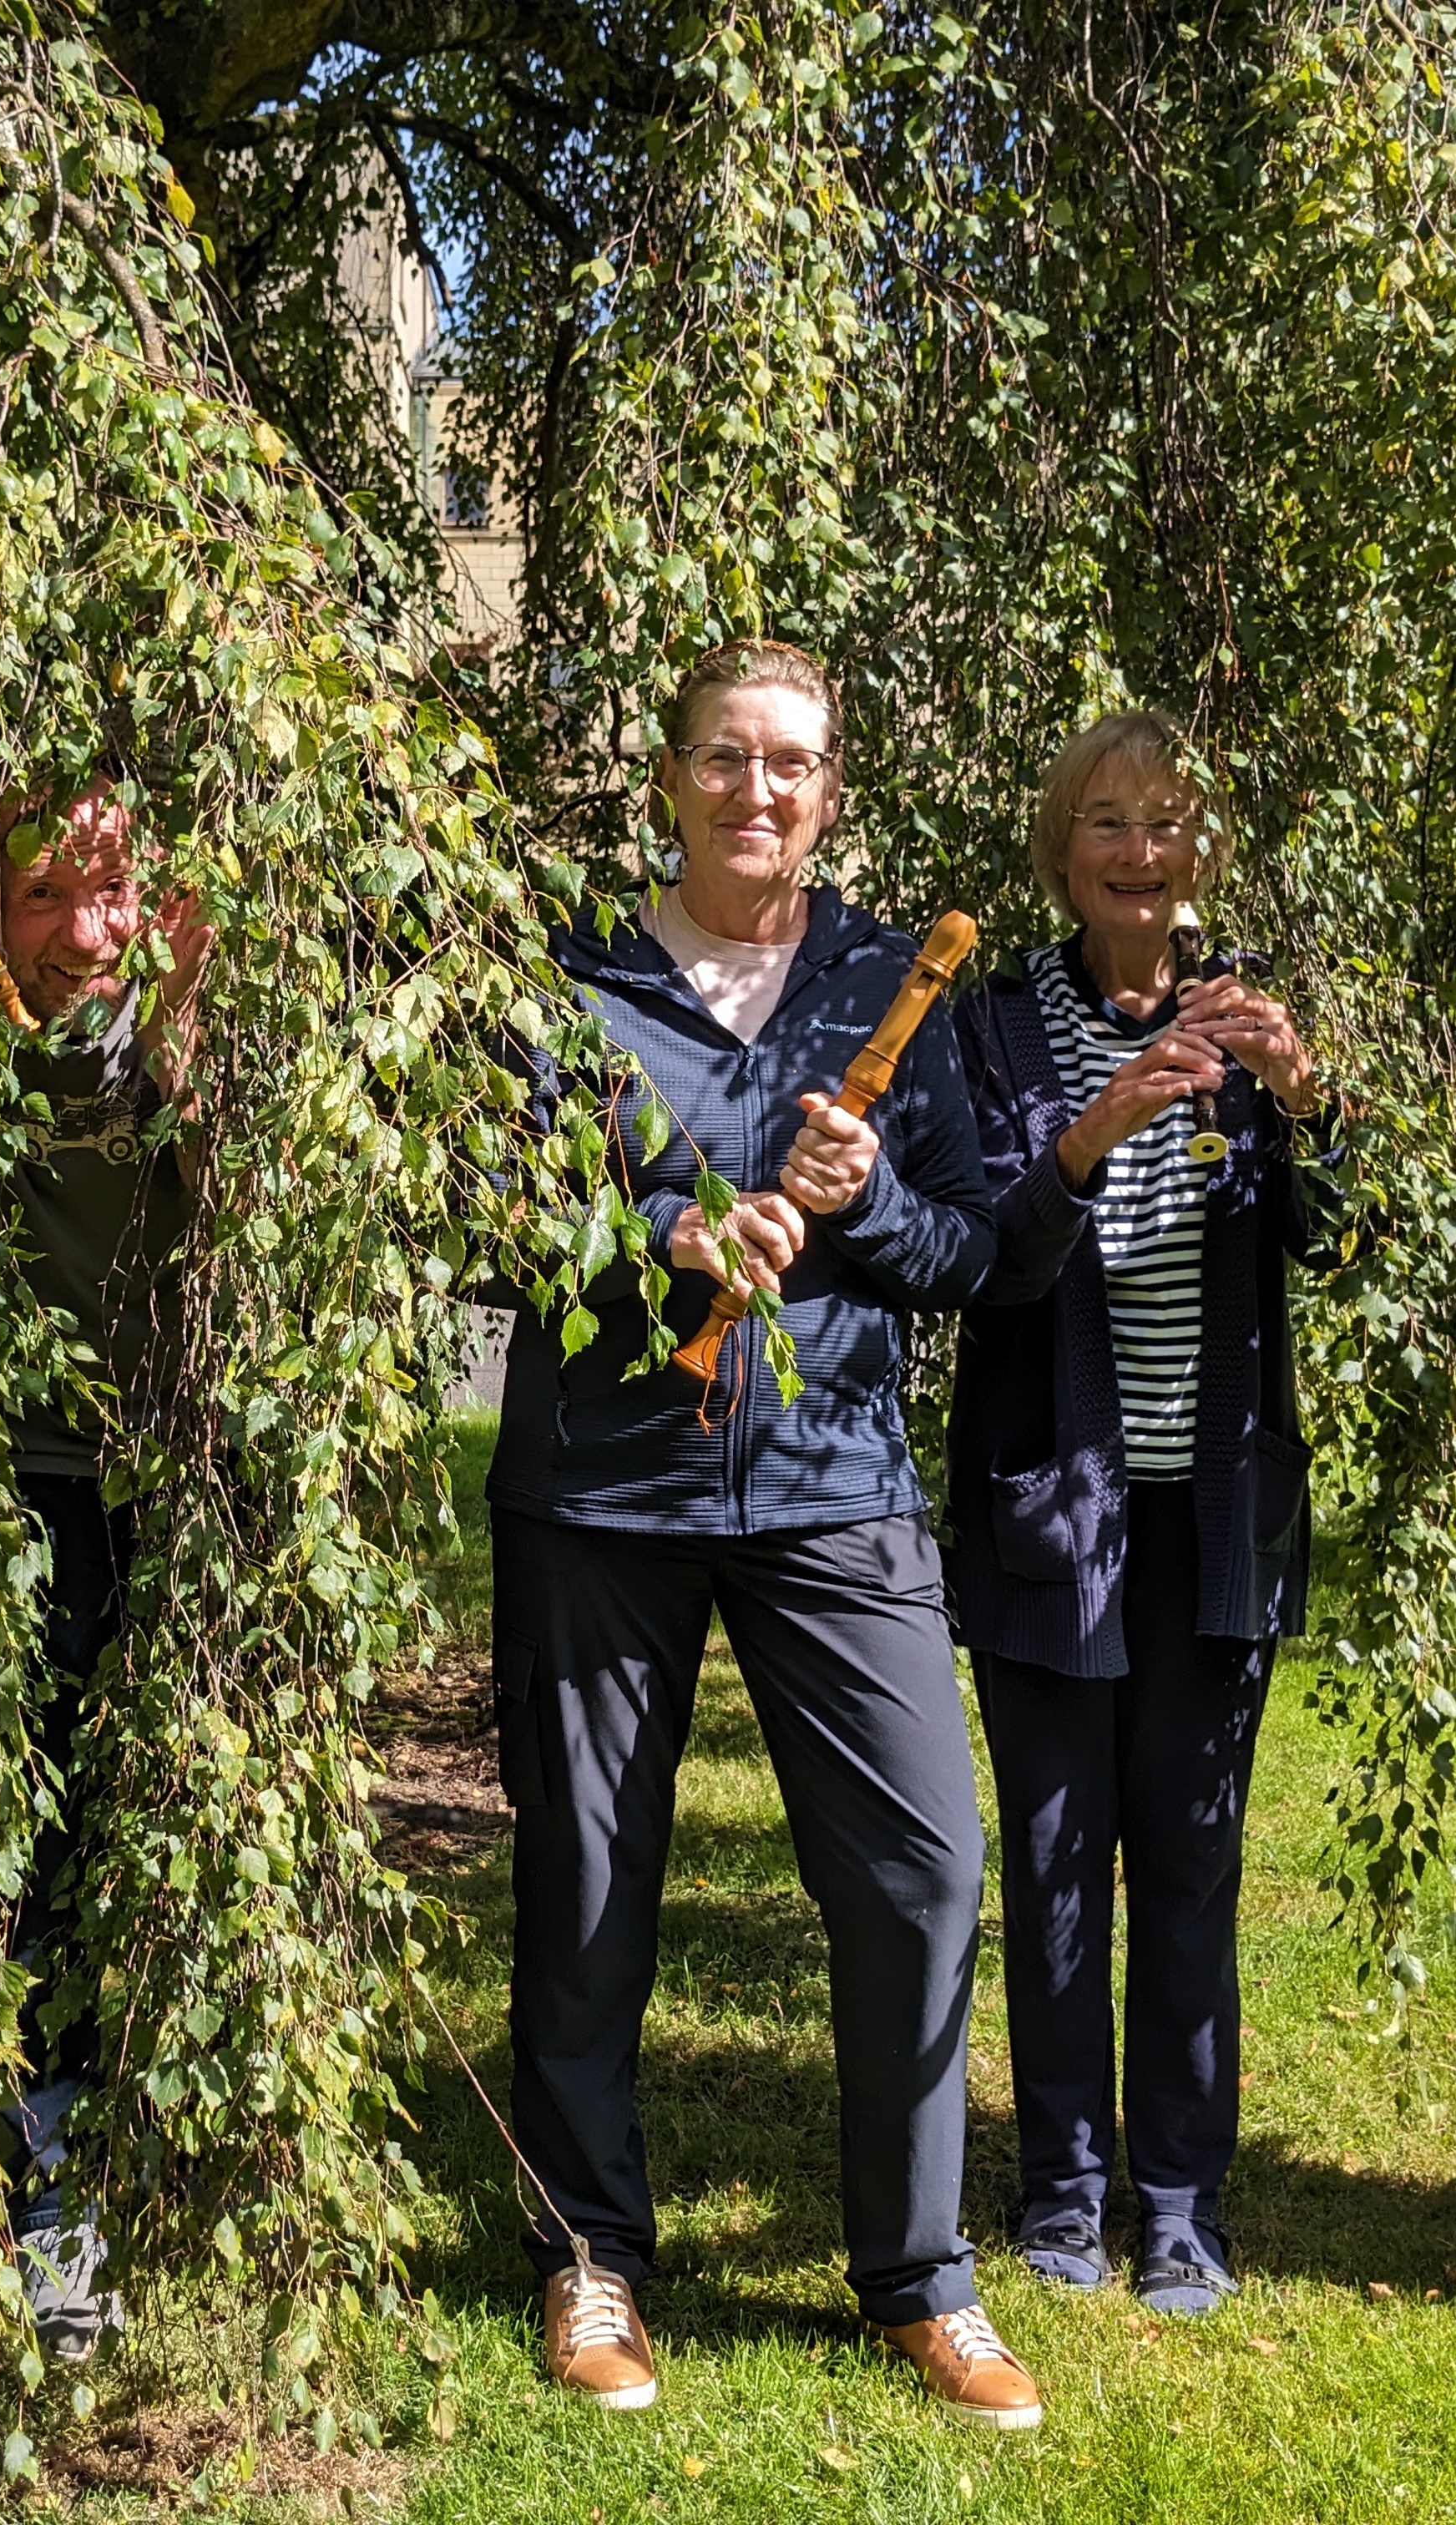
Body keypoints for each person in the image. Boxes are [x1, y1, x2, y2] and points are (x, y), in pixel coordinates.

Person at [488, 638, 1037, 2427]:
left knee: (923, 1869)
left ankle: (920, 2277)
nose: (757, 790)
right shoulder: (570, 970)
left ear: (831, 790)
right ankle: (591, 2255)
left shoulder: (889, 982)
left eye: (791, 762)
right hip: (603, 1488)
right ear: (669, 777)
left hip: (832, 1485)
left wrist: (865, 1202)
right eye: (725, 756)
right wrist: (660, 1240)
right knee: (589, 1879)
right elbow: (488, 1210)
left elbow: (966, 1253)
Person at [941, 712, 1336, 2320]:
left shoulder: (1249, 1018)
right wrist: (1094, 1133)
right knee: (1054, 1861)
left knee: (1189, 1862)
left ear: (1200, 854)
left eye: (1167, 822)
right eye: (1106, 820)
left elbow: (1339, 1240)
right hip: (1055, 1513)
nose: (1139, 850)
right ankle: (1062, 2188)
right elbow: (983, 1260)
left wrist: (1306, 1103)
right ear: (1063, 850)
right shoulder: (992, 1027)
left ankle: (1177, 2201)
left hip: (1213, 1520)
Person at [0, 774, 207, 2364]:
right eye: (42, 894)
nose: (85, 933)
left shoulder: (188, 1017)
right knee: (3, 1855)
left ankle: (90, 2189)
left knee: (115, 1851)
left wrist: (197, 1033)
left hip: (159, 1493)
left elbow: (255, 1211)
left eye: (112, 890)